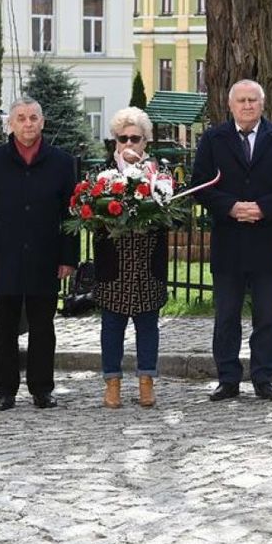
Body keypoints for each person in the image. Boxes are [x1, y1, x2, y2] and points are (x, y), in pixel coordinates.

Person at [190, 80, 272, 402]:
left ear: (262, 104)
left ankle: (263, 377)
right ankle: (227, 378)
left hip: (268, 240)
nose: (247, 105)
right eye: (241, 100)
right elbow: (200, 184)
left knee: (267, 317)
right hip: (229, 240)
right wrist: (230, 206)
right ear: (230, 105)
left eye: (253, 100)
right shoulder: (214, 139)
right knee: (226, 316)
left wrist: (263, 208)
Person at [0, 97, 78, 412]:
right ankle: (5, 390)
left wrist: (68, 257)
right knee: (4, 328)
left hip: (46, 259)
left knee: (43, 328)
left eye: (33, 118)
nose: (28, 123)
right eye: (21, 118)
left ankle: (42, 389)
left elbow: (70, 214)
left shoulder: (61, 162)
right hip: (4, 259)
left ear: (42, 122)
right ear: (10, 125)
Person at [94, 107, 168, 409]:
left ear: (145, 141)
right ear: (115, 142)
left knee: (148, 326)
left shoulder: (159, 174)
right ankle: (112, 383)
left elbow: (170, 215)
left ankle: (146, 382)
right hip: (114, 263)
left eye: (135, 138)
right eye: (122, 138)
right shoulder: (101, 175)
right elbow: (91, 215)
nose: (128, 144)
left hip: (147, 263)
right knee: (112, 326)